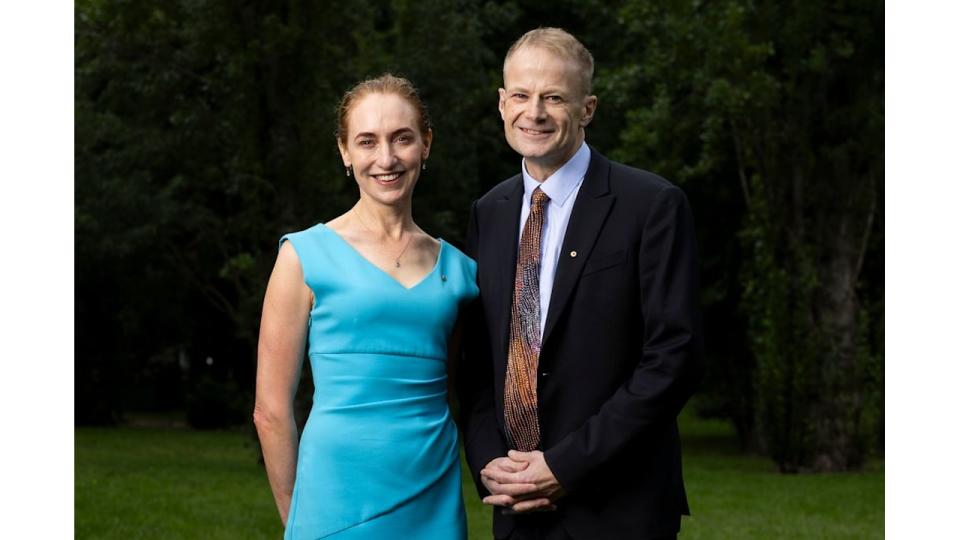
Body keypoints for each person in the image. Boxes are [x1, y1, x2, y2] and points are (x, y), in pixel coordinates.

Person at [459, 28, 703, 540]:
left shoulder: (650, 206)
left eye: (554, 97)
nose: (536, 112)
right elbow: (480, 360)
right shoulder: (490, 212)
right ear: (502, 104)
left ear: (587, 108)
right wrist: (489, 462)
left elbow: (673, 359)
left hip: (618, 507)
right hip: (515, 505)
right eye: (521, 96)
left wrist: (565, 467)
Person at [254, 74, 476, 540]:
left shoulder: (461, 272)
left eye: (402, 138)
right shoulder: (303, 256)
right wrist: (298, 517)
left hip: (432, 495)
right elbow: (271, 410)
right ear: (344, 152)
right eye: (367, 141)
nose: (387, 159)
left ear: (426, 144)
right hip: (334, 499)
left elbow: (466, 394)